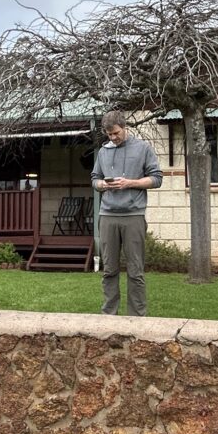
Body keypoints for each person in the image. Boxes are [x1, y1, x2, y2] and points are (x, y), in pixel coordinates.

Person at [91, 110, 163, 316]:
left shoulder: (143, 148)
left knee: (135, 270)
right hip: (107, 216)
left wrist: (130, 183)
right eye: (109, 135)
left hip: (133, 216)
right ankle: (109, 314)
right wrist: (103, 184)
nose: (113, 138)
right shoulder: (104, 151)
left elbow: (157, 179)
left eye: (116, 133)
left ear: (125, 127)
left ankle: (137, 316)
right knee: (109, 270)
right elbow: (94, 179)